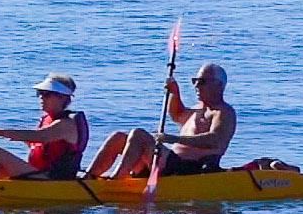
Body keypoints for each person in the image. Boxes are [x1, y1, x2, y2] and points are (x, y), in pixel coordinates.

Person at [92, 63, 236, 179]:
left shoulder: (223, 112)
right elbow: (177, 115)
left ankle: (115, 180)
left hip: (189, 169)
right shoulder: (198, 109)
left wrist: (172, 139)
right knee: (118, 137)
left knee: (139, 135)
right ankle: (88, 178)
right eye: (195, 81)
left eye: (202, 82)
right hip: (169, 163)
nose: (196, 86)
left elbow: (214, 140)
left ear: (219, 85)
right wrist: (174, 92)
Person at [0, 75, 91, 180]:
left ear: (62, 98)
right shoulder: (46, 120)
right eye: (40, 93)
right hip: (39, 175)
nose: (41, 98)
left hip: (53, 180)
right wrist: (13, 135)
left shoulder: (66, 124)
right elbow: (36, 143)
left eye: (46, 94)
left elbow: (40, 136)